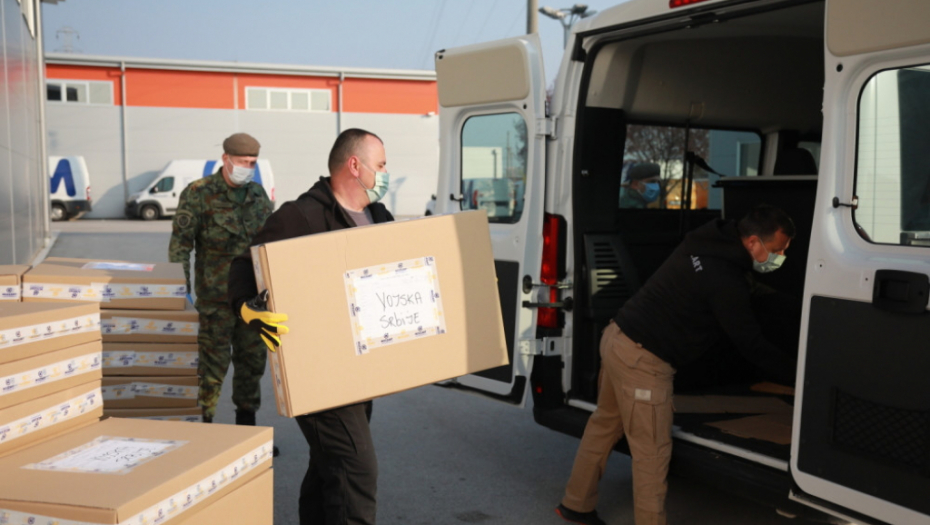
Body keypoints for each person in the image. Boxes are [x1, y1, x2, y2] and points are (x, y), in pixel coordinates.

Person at [556, 204, 798, 525]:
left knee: (603, 427)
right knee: (652, 454)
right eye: (778, 250)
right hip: (644, 360)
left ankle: (576, 505)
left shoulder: (707, 243)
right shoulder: (723, 278)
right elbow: (750, 343)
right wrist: (800, 377)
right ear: (753, 242)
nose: (781, 256)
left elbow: (749, 290)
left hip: (617, 336)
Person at [227, 128, 392, 525]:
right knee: (356, 468)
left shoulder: (378, 216)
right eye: (382, 164)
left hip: (361, 368)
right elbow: (242, 269)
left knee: (327, 467)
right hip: (316, 372)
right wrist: (249, 311)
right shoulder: (300, 216)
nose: (385, 173)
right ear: (355, 165)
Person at [167, 133, 274, 433]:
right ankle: (205, 431)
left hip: (252, 301)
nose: (248, 167)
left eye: (252, 163)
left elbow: (270, 246)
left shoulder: (258, 195)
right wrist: (181, 292)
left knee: (251, 366)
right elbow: (180, 247)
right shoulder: (199, 193)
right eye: (243, 162)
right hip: (215, 302)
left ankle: (246, 432)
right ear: (226, 159)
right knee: (210, 371)